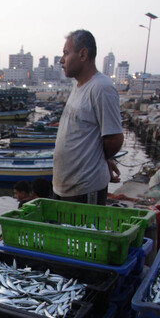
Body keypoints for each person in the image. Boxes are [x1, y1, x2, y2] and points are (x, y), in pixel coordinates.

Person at [53, 29, 124, 206]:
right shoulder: (78, 86)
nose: (61, 60)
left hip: (85, 190)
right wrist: (103, 159)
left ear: (83, 54)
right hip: (66, 187)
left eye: (66, 53)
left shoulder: (101, 88)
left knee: (80, 233)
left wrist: (98, 159)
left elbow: (115, 138)